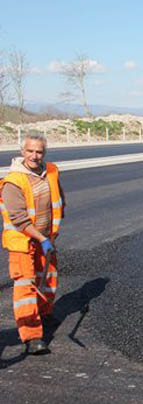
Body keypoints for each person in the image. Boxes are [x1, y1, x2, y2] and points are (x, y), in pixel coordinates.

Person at [0, 132, 65, 355]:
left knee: (48, 278)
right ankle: (31, 336)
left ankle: (45, 314)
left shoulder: (52, 171)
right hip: (23, 241)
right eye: (30, 151)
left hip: (46, 238)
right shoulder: (13, 182)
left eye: (39, 151)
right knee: (26, 287)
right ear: (22, 152)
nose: (34, 156)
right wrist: (42, 238)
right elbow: (19, 220)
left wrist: (51, 233)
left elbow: (59, 200)